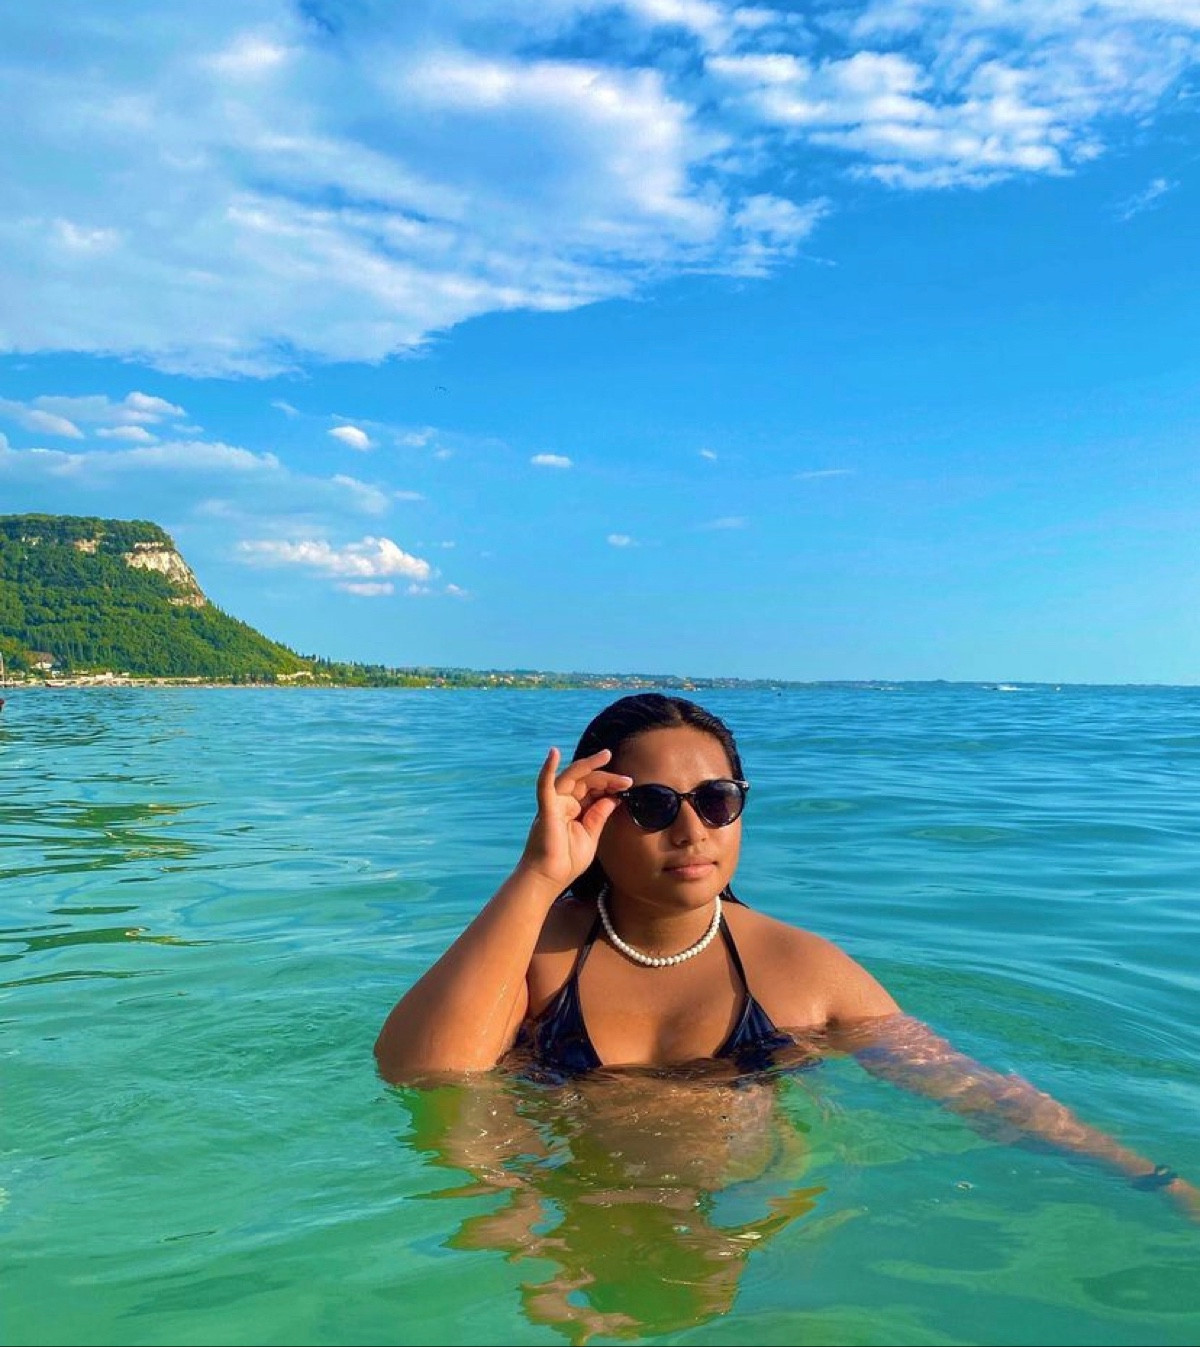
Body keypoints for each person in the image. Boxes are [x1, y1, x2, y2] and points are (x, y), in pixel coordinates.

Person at [375, 693, 1197, 1218]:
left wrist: (1157, 1181)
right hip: (563, 1228)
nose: (691, 829)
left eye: (716, 800)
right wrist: (539, 874)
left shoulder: (801, 972)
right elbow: (423, 1077)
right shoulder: (537, 956)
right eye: (652, 805)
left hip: (757, 1228)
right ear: (592, 811)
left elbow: (979, 1093)